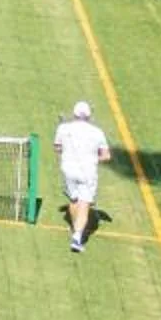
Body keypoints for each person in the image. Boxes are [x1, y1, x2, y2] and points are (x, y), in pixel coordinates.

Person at [54, 99, 109, 252]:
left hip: (68, 169)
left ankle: (75, 229)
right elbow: (106, 156)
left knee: (73, 199)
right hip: (88, 172)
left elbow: (57, 148)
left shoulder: (63, 128)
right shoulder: (97, 132)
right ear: (89, 116)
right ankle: (77, 237)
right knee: (84, 204)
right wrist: (93, 158)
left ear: (74, 114)